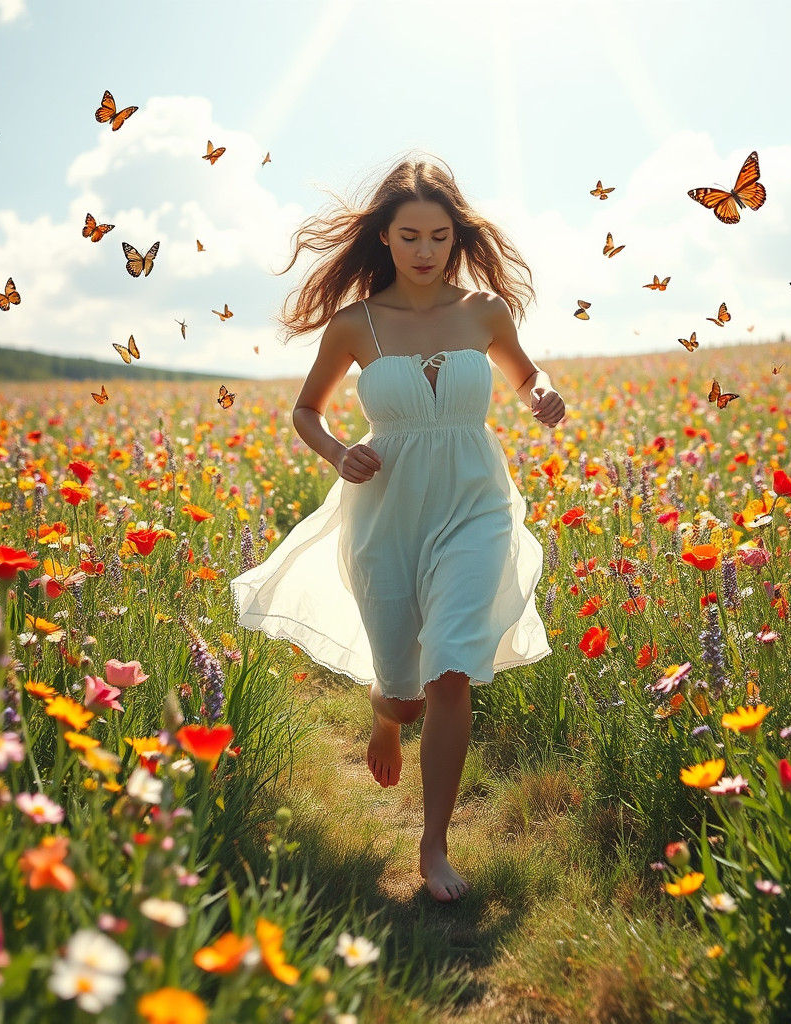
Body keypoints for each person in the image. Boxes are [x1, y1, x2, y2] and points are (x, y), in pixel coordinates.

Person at [231, 153, 565, 902]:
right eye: (409, 235)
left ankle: (433, 845)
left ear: (457, 239)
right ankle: (387, 715)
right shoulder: (355, 325)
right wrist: (335, 451)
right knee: (408, 691)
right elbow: (307, 411)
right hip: (385, 511)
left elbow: (526, 375)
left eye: (439, 237)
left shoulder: (483, 311)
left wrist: (543, 395)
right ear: (383, 236)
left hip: (475, 505)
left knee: (450, 669)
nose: (424, 250)